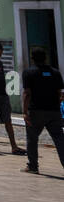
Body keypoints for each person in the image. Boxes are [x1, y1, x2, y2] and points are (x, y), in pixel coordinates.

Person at [21, 47, 64, 175]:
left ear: (32, 58)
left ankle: (33, 166)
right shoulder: (55, 72)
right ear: (45, 58)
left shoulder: (28, 72)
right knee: (60, 139)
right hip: (54, 111)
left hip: (36, 111)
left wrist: (25, 112)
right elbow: (60, 93)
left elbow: (27, 93)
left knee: (32, 139)